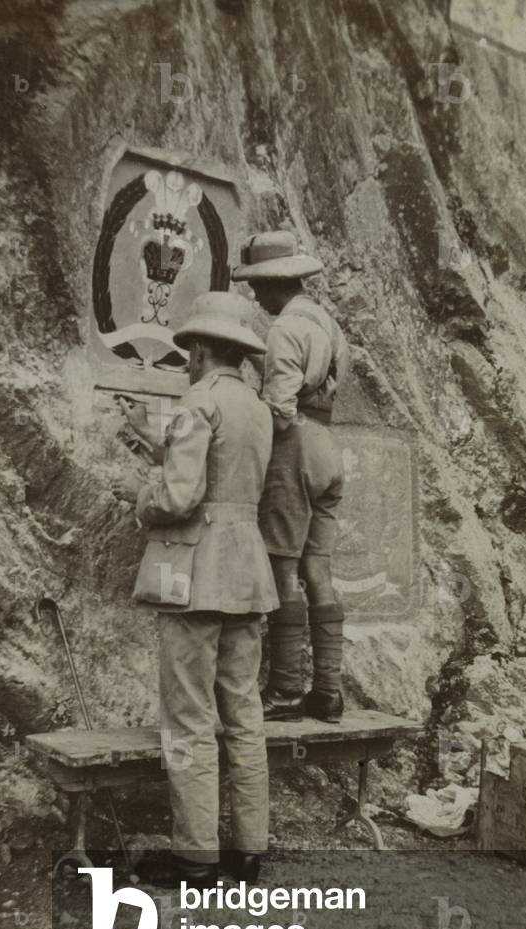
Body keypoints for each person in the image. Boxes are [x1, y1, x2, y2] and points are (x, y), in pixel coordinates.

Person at [113, 291, 278, 888]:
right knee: (243, 713)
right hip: (247, 573)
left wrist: (142, 496)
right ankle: (250, 851)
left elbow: (180, 497)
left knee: (187, 719)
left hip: (194, 577)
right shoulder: (257, 408)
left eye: (189, 351)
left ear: (203, 350)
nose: (187, 360)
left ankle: (196, 860)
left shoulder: (197, 403)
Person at [232, 230, 350, 724]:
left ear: (277, 280)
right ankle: (328, 691)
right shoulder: (328, 324)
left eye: (259, 283)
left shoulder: (284, 330)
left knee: (283, 569)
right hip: (327, 446)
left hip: (295, 448)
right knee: (318, 571)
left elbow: (279, 412)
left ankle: (283, 691)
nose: (256, 294)